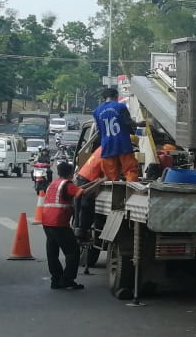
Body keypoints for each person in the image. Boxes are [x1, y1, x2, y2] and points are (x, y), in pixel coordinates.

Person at [41, 162, 102, 290]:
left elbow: (78, 189)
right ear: (71, 173)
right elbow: (83, 193)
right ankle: (67, 280)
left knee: (52, 253)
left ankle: (56, 280)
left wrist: (93, 182)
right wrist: (100, 182)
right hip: (59, 223)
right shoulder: (67, 185)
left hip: (47, 222)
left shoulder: (55, 183)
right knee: (72, 252)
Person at [93, 86, 139, 182]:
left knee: (110, 176)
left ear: (104, 98)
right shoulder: (121, 107)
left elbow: (99, 131)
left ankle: (112, 195)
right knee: (130, 170)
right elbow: (129, 123)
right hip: (123, 144)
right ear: (116, 96)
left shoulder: (96, 111)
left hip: (107, 146)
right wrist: (140, 124)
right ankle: (131, 193)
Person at [72, 145, 105, 241]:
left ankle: (79, 230)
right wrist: (100, 181)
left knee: (80, 207)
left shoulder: (102, 148)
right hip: (89, 178)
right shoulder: (109, 151)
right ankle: (82, 232)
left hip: (84, 176)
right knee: (86, 207)